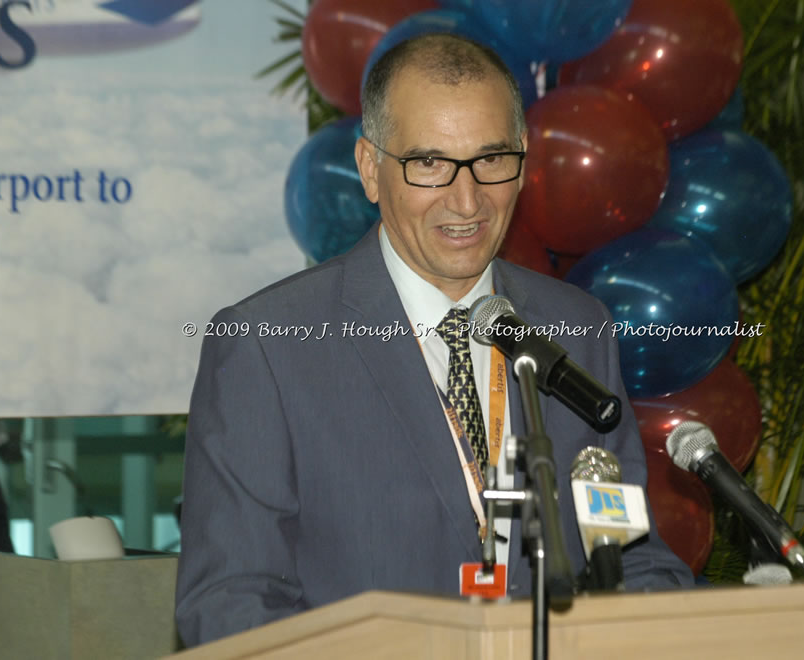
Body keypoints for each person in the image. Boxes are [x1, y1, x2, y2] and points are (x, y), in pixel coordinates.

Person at [175, 33, 693, 647]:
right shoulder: (267, 347)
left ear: (523, 157)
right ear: (371, 169)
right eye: (429, 163)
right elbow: (229, 607)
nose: (467, 199)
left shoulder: (577, 330)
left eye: (491, 159)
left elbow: (628, 554)